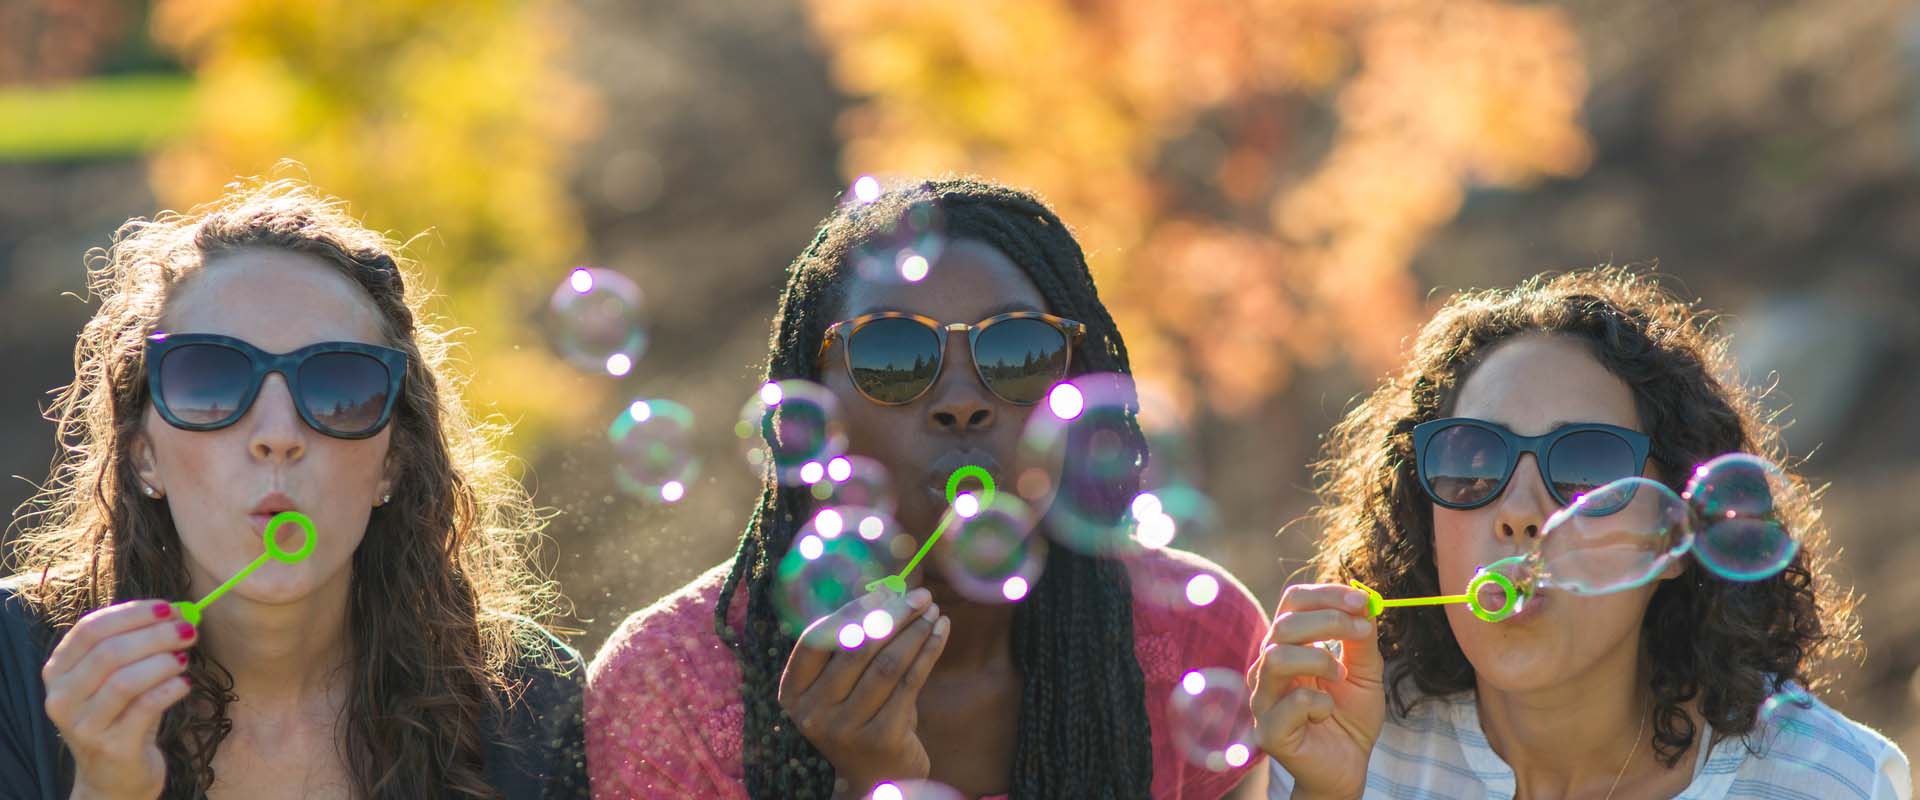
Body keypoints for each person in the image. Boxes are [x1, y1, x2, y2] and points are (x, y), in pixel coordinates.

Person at [588, 177, 1269, 799]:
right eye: (893, 356)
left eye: (1016, 349)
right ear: (810, 405)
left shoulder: (1201, 640)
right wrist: (871, 785)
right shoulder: (670, 686)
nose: (961, 402)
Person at [1, 179, 586, 799]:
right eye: (211, 381)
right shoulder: (14, 668)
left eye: (338, 387)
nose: (278, 436)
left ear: (392, 464)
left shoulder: (524, 702)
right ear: (144, 456)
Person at [1250, 268, 1910, 799]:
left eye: (1587, 466)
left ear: (1677, 529)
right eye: (1471, 459)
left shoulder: (1828, 782)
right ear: (1424, 520)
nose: (1521, 512)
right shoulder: (1339, 744)